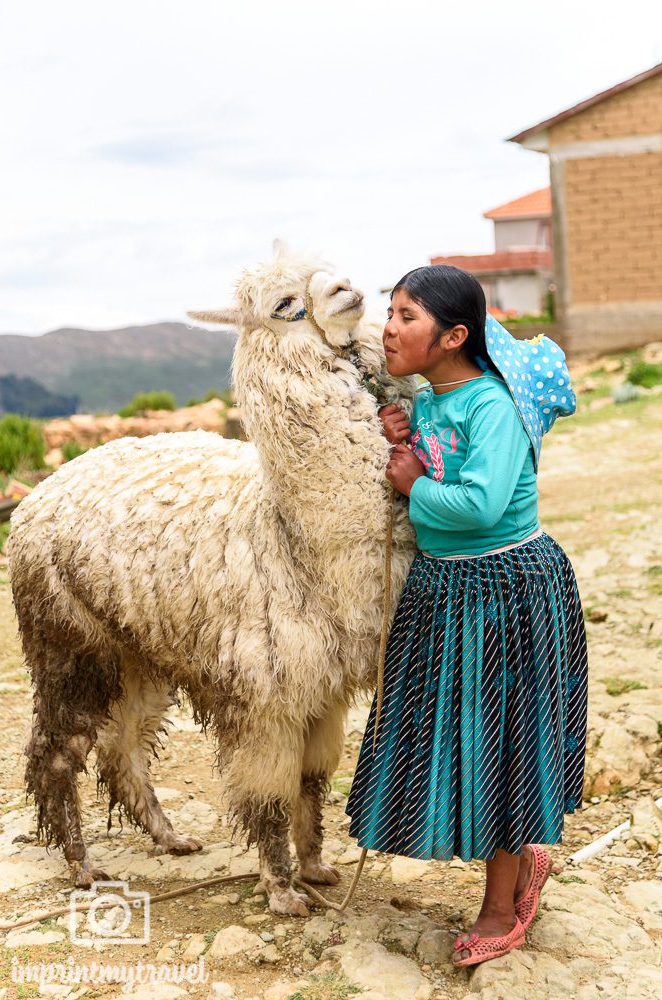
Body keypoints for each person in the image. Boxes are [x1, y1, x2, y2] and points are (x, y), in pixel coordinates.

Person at [344, 265, 588, 968]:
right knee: (460, 742)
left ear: (454, 336)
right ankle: (519, 866)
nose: (389, 328)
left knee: (505, 746)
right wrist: (408, 438)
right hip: (446, 593)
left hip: (508, 593)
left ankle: (500, 906)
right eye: (390, 311)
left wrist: (415, 479)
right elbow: (442, 470)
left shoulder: (491, 405)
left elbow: (480, 507)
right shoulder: (433, 399)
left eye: (407, 316)